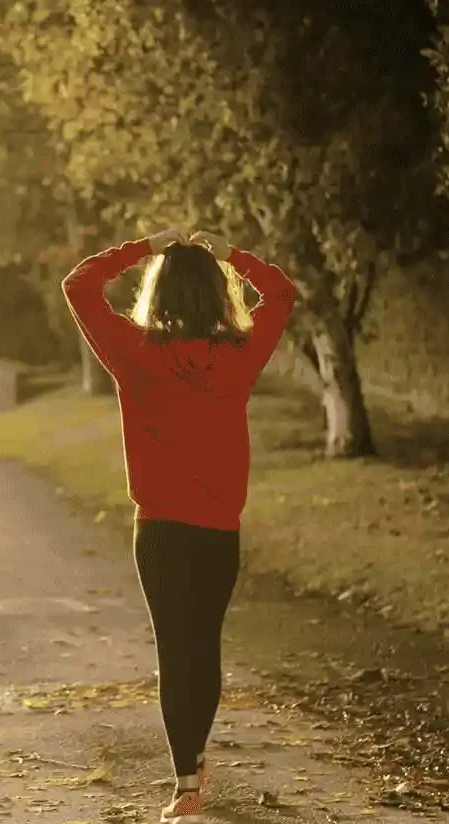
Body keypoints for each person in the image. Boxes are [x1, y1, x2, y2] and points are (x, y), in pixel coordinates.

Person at [62, 228, 301, 824]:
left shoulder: (134, 353)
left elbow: (79, 283)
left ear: (158, 293)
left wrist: (144, 246)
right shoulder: (239, 356)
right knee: (203, 644)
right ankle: (194, 761)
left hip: (161, 530)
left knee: (176, 648)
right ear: (219, 295)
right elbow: (282, 292)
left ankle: (186, 782)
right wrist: (231, 255)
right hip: (218, 529)